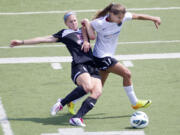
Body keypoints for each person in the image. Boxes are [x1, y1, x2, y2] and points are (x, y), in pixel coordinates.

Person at [10, 12, 102, 127]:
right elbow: (43, 39)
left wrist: (87, 31)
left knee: (97, 92)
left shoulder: (83, 29)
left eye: (74, 20)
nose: (73, 23)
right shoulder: (64, 33)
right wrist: (22, 42)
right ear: (66, 23)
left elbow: (93, 36)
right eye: (70, 21)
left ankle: (77, 117)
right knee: (87, 87)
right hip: (79, 64)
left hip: (92, 65)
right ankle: (62, 103)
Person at [81, 3, 161, 109]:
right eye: (118, 17)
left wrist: (153, 18)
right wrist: (86, 41)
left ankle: (71, 101)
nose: (120, 20)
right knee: (127, 73)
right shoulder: (99, 23)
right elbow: (83, 28)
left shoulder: (122, 18)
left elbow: (137, 16)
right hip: (101, 57)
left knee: (97, 88)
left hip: (106, 56)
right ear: (110, 14)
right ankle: (134, 102)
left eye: (122, 17)